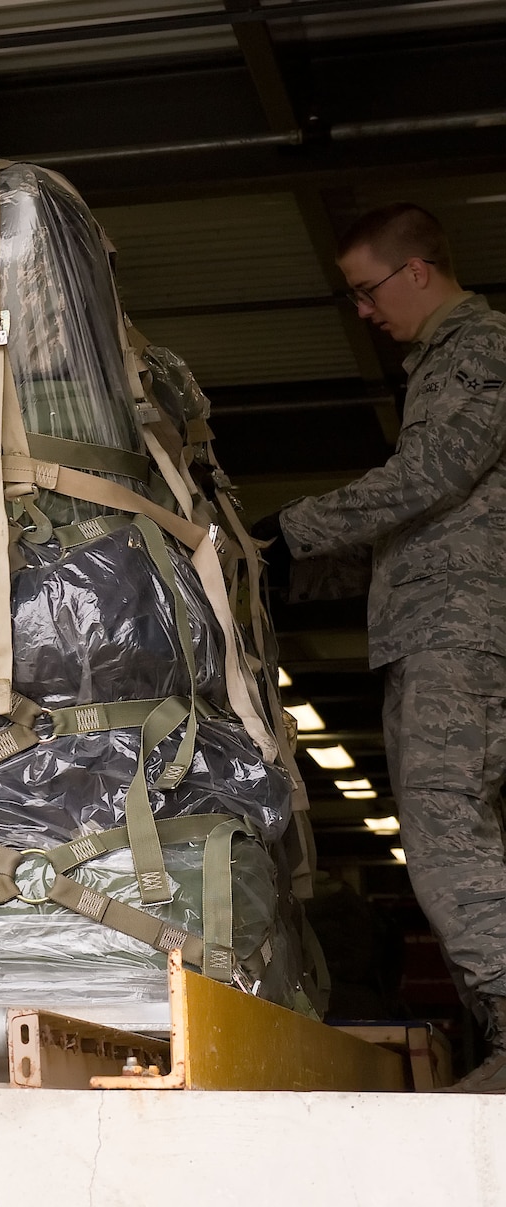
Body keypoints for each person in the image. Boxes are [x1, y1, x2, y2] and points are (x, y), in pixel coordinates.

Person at [255, 203, 506, 1092]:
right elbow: (430, 530)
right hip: (447, 627)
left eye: (366, 290)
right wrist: (281, 571)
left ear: (417, 271)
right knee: (469, 834)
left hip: (461, 639)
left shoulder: (480, 350)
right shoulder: (447, 361)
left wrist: (290, 529)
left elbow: (427, 478)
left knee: (443, 840)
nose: (362, 310)